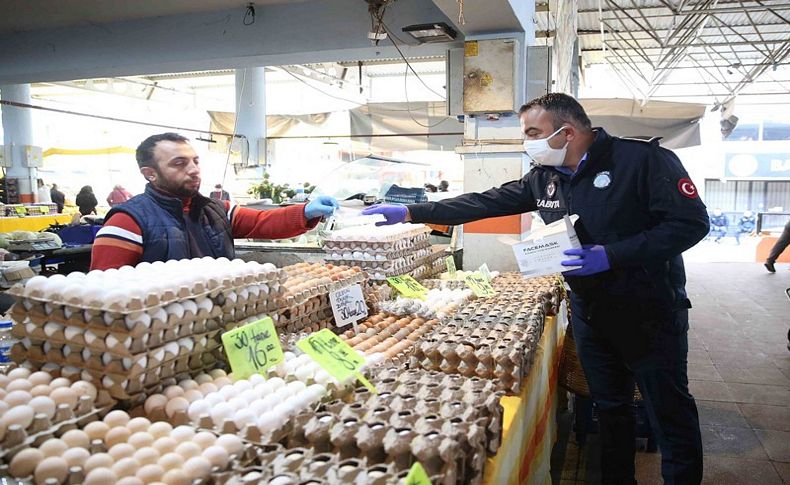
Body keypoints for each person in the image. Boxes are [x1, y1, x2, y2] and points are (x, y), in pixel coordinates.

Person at [363, 93, 709, 484]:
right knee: (610, 408)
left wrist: (613, 255)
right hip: (591, 312)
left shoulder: (642, 160)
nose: (527, 141)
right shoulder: (546, 176)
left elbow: (690, 224)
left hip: (649, 311)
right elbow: (484, 202)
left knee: (670, 411)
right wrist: (414, 211)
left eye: (532, 132)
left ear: (568, 132)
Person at [90, 133, 338, 270]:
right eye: (179, 163)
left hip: (216, 323)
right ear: (149, 173)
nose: (193, 170)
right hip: (162, 338)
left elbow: (263, 221)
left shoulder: (216, 210)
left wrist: (306, 211)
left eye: (195, 161)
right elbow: (105, 290)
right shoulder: (127, 222)